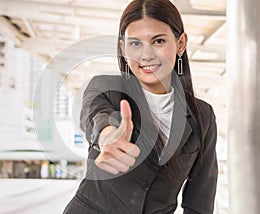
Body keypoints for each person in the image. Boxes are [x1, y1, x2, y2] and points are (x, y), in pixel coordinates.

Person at [63, 0, 218, 213]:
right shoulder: (106, 88)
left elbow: (200, 201)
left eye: (158, 41)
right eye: (135, 43)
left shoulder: (203, 116)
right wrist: (107, 136)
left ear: (181, 43)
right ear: (122, 48)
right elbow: (95, 115)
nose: (146, 55)